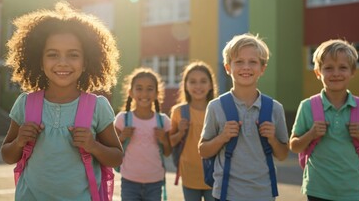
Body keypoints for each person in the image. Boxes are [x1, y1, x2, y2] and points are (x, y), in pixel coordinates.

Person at [1, 1, 123, 200]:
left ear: (86, 62)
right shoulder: (26, 104)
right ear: (40, 61)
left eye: (73, 55)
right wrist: (19, 142)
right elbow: (7, 155)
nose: (62, 62)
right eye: (53, 55)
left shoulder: (97, 106)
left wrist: (93, 146)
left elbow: (117, 157)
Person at [198, 33, 289, 201]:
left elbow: (283, 154)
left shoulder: (275, 108)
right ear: (227, 67)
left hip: (264, 194)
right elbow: (203, 150)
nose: (245, 67)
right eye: (239, 61)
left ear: (262, 68)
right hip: (225, 194)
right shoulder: (216, 106)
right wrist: (222, 137)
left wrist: (273, 139)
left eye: (253, 62)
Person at [289, 39, 359, 201]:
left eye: (343, 68)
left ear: (353, 71)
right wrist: (311, 134)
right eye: (328, 68)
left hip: (351, 191)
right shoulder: (307, 106)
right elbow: (294, 146)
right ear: (318, 72)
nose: (336, 73)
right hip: (318, 190)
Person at [114, 67, 172, 201]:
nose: (144, 93)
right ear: (130, 92)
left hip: (155, 182)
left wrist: (163, 140)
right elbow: (113, 148)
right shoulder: (123, 119)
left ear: (157, 93)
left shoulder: (163, 121)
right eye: (139, 88)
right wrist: (122, 137)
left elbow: (168, 152)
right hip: (129, 181)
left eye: (149, 89)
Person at [170, 61, 218, 201]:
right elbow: (171, 142)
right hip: (189, 174)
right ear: (185, 85)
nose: (198, 86)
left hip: (214, 174)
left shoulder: (217, 110)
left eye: (203, 81)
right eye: (193, 81)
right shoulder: (179, 111)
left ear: (210, 85)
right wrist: (180, 132)